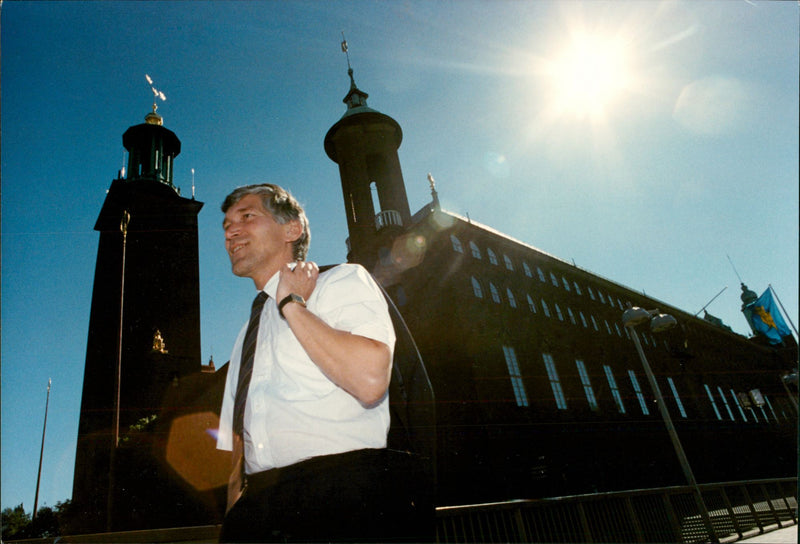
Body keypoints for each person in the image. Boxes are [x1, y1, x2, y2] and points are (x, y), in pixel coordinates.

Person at [216, 183, 432, 542]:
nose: (230, 232)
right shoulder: (246, 335)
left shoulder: (342, 281)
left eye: (247, 216)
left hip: (345, 498)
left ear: (292, 229)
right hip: (260, 510)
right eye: (226, 226)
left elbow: (369, 380)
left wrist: (291, 304)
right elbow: (240, 440)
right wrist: (233, 517)